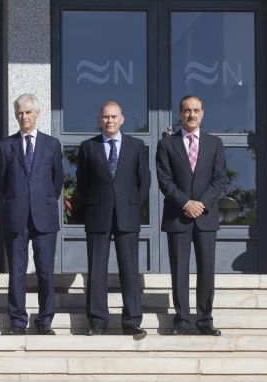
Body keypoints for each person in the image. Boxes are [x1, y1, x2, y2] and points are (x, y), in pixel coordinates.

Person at [77, 102, 150, 337]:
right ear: (100, 119)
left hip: (127, 216)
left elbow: (144, 182)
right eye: (106, 117)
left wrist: (131, 204)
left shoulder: (137, 146)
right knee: (97, 270)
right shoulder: (88, 147)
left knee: (129, 270)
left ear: (122, 119)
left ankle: (132, 321)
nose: (110, 121)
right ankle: (97, 322)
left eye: (114, 117)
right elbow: (82, 184)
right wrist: (95, 202)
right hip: (98, 214)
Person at [156, 95, 226, 336]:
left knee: (206, 270)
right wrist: (186, 203)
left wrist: (201, 204)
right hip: (178, 216)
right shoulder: (166, 144)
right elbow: (164, 180)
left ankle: (205, 320)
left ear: (203, 113)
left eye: (196, 110)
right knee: (180, 271)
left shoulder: (215, 143)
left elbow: (219, 180)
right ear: (180, 113)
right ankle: (182, 321)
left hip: (205, 218)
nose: (191, 115)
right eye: (187, 110)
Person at [0, 93, 64, 335]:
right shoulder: (5, 145)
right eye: (19, 113)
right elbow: (3, 183)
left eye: (28, 112)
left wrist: (42, 200)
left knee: (45, 271)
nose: (24, 117)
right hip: (16, 217)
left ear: (37, 114)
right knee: (16, 271)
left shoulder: (52, 144)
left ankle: (45, 321)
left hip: (44, 217)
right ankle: (17, 321)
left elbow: (57, 181)